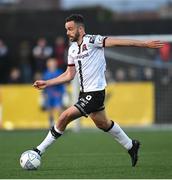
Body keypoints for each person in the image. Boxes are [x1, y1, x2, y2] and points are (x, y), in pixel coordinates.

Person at [33, 14, 164, 167]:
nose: (67, 32)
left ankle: (38, 151)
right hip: (85, 93)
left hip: (95, 93)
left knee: (64, 117)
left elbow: (117, 42)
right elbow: (69, 74)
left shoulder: (93, 40)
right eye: (66, 29)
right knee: (102, 123)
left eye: (70, 29)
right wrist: (47, 83)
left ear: (80, 29)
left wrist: (144, 44)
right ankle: (131, 146)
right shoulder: (72, 49)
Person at [42, 58, 65, 128]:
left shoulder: (59, 72)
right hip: (49, 94)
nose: (52, 65)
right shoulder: (46, 73)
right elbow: (44, 84)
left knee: (59, 109)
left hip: (57, 94)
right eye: (50, 63)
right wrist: (44, 94)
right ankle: (51, 124)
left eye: (53, 63)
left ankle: (60, 125)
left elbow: (62, 83)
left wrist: (63, 92)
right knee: (50, 111)